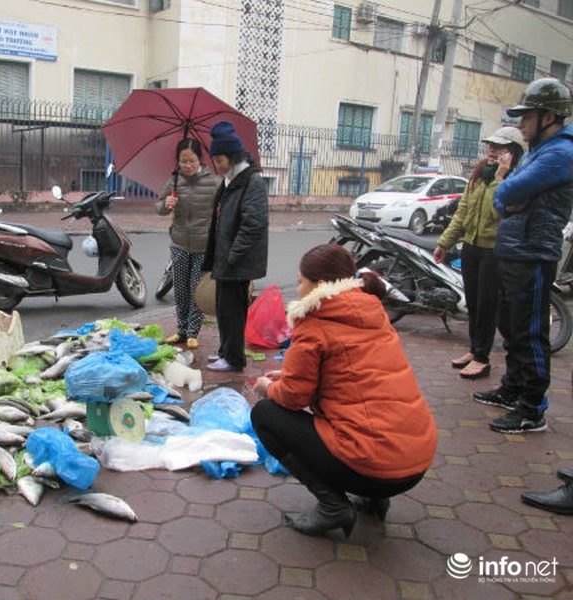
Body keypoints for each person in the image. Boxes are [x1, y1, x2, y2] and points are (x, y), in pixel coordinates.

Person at [251, 244, 437, 537]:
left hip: (375, 464)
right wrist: (287, 375)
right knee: (371, 413)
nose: (298, 290)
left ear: (321, 286)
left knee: (266, 414)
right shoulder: (371, 308)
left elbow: (294, 397)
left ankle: (332, 506)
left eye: (300, 282)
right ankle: (375, 499)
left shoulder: (314, 320)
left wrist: (268, 387)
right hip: (415, 461)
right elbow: (351, 375)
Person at [473, 77, 573, 434]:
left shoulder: (560, 153)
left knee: (530, 334)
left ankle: (532, 408)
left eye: (526, 117)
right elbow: (505, 198)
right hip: (515, 250)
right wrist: (510, 198)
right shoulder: (538, 151)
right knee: (512, 329)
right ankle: (512, 389)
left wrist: (511, 196)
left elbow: (511, 188)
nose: (520, 124)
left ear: (549, 116)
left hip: (533, 254)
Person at [433, 127, 525, 380]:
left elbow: (502, 208)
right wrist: (445, 242)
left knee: (488, 305)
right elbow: (463, 211)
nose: (492, 152)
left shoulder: (514, 178)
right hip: (472, 246)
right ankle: (475, 350)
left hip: (495, 249)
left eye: (500, 148)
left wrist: (501, 176)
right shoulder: (480, 174)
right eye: (490, 147)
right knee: (473, 302)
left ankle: (483, 358)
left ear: (514, 152)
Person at [202, 121, 269, 372]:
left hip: (237, 262)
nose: (217, 166)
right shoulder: (231, 180)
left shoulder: (252, 181)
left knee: (233, 312)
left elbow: (253, 224)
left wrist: (233, 255)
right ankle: (225, 351)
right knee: (224, 309)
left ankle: (234, 359)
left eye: (219, 160)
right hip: (226, 259)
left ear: (232, 156)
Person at [156, 138, 220, 350]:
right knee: (180, 290)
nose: (188, 166)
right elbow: (159, 207)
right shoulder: (174, 180)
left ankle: (193, 332)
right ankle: (181, 330)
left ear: (200, 160)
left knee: (196, 290)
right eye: (183, 162)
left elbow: (224, 207)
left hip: (203, 245)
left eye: (192, 161)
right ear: (178, 161)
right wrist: (166, 204)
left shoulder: (213, 181)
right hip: (179, 243)